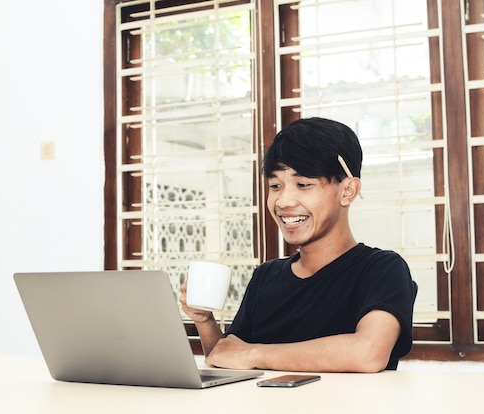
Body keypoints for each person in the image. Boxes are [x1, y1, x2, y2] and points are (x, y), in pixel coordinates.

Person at [179, 117, 418, 373]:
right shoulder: (266, 276)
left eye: (303, 184)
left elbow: (368, 353)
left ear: (347, 191)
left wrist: (254, 353)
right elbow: (229, 357)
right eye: (275, 185)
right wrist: (205, 321)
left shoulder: (382, 269)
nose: (283, 201)